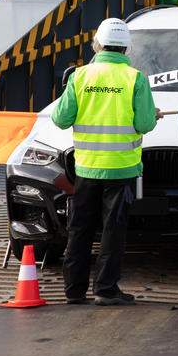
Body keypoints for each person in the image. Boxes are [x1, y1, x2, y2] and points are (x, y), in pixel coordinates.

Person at [52, 18, 157, 306]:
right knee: (113, 230)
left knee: (80, 228)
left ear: (97, 44)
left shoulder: (80, 76)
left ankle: (74, 292)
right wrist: (152, 114)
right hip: (122, 169)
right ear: (127, 48)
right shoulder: (136, 79)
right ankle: (106, 290)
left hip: (86, 168)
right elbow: (145, 123)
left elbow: (61, 119)